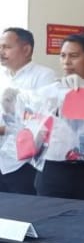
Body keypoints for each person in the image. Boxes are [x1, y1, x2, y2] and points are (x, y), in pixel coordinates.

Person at [35, 34, 84, 201]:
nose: (67, 62)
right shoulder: (50, 91)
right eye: (63, 56)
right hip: (54, 168)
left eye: (74, 56)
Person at [0, 28, 57, 194]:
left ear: (26, 49)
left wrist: (4, 129)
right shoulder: (2, 76)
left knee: (23, 206)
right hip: (2, 157)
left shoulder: (44, 76)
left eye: (6, 47)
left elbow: (40, 121)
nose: (1, 52)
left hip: (25, 162)